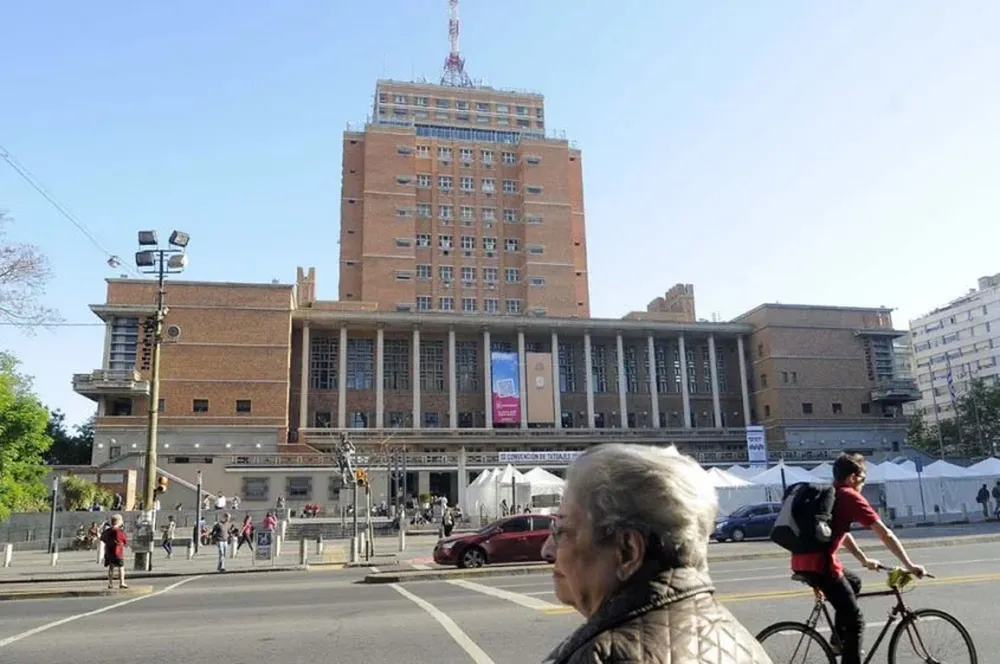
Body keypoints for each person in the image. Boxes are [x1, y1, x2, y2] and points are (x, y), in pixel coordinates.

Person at [541, 444, 770, 663]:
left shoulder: (602, 655)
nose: (547, 550)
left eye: (561, 530)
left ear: (628, 551)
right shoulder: (735, 636)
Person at [791, 453, 927, 664]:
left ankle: (837, 640)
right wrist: (909, 565)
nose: (863, 484)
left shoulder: (831, 495)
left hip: (803, 562)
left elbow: (842, 534)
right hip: (822, 565)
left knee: (854, 582)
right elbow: (884, 533)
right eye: (863, 479)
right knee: (856, 622)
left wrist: (863, 559)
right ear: (852, 478)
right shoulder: (849, 496)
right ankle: (845, 650)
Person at [100, 514, 129, 590]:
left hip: (109, 552)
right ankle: (121, 582)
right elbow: (124, 540)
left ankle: (110, 583)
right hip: (118, 552)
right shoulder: (119, 531)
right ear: (119, 522)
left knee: (111, 568)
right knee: (121, 568)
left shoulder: (108, 531)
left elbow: (102, 538)